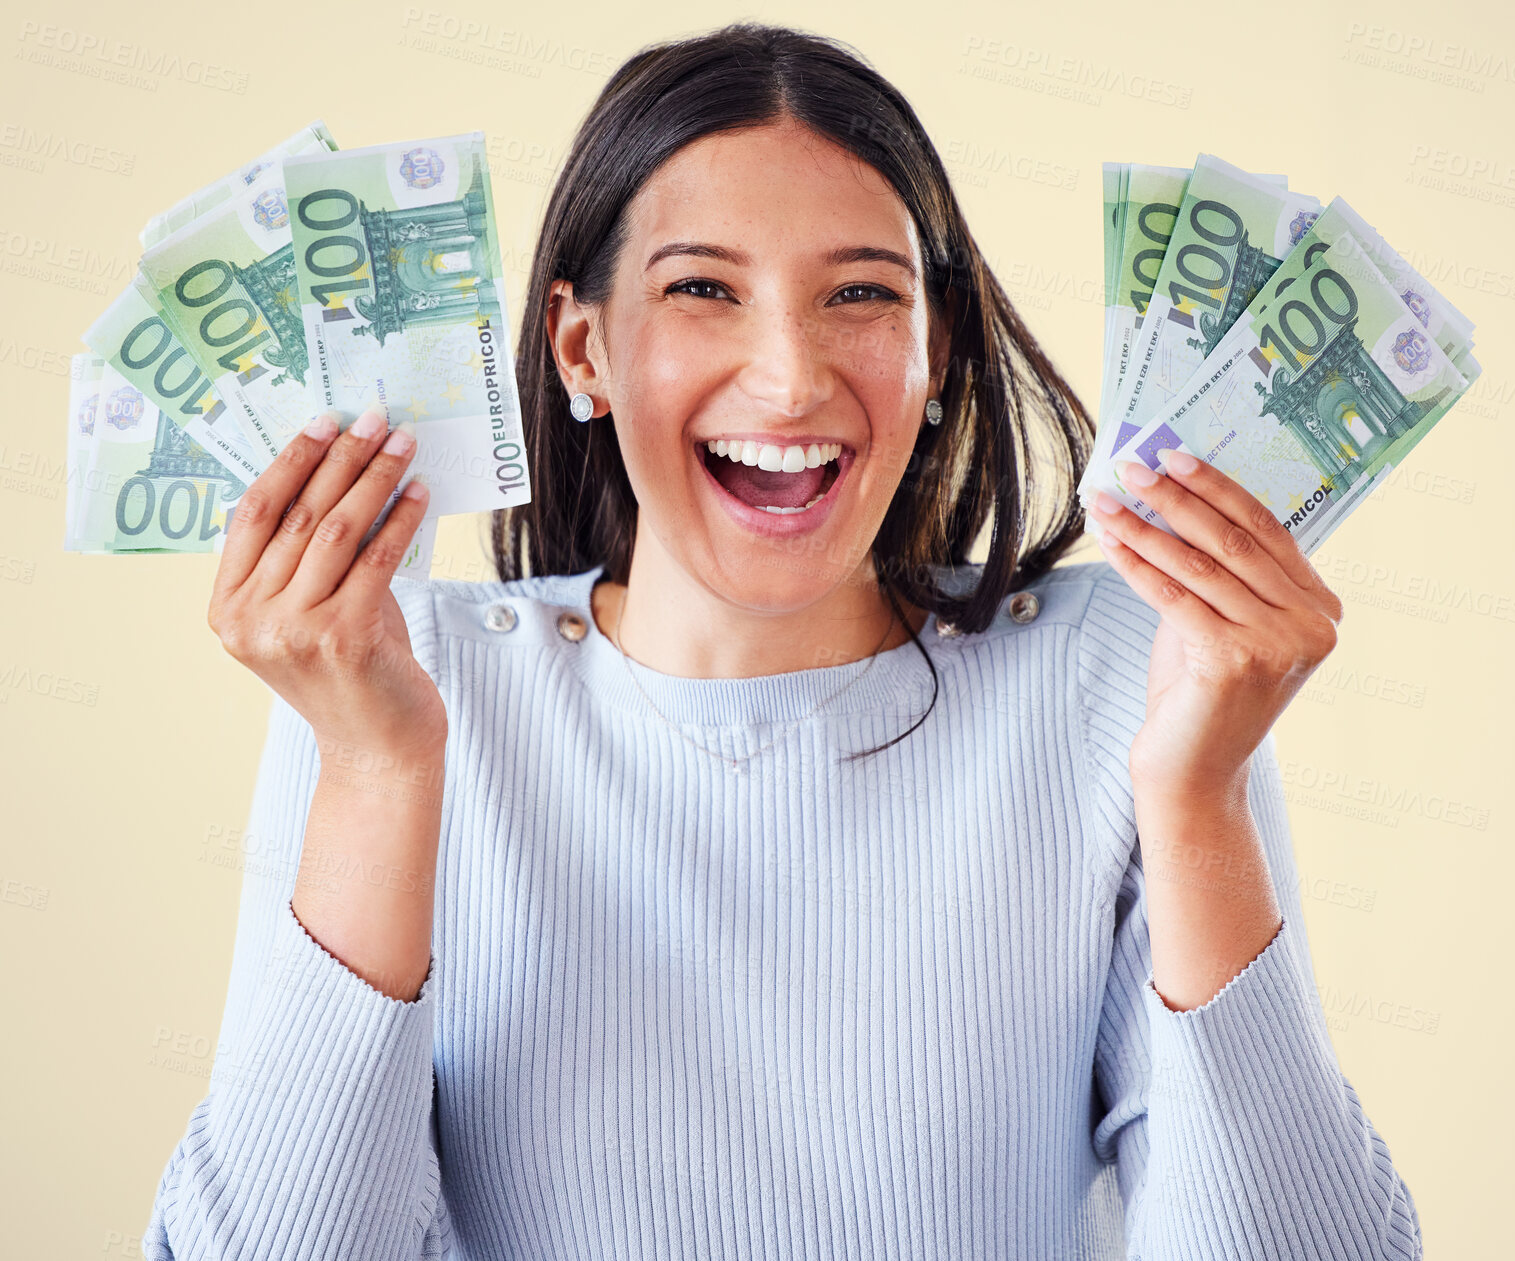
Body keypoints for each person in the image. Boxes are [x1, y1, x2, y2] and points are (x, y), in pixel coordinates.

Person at [143, 21, 1421, 1261]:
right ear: (584, 347)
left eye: (860, 294)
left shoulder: (1129, 679)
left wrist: (1194, 797)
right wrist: (374, 775)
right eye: (701, 287)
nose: (791, 377)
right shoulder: (393, 679)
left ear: (933, 359)